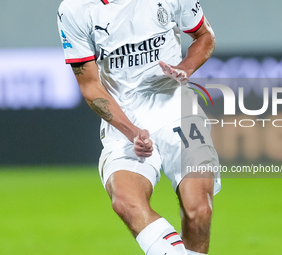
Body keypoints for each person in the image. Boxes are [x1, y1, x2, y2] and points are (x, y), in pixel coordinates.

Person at [57, 0, 221, 254]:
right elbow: (90, 85)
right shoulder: (75, 9)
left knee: (199, 211)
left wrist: (184, 68)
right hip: (126, 121)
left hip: (177, 109)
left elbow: (204, 35)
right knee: (125, 201)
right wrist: (132, 132)